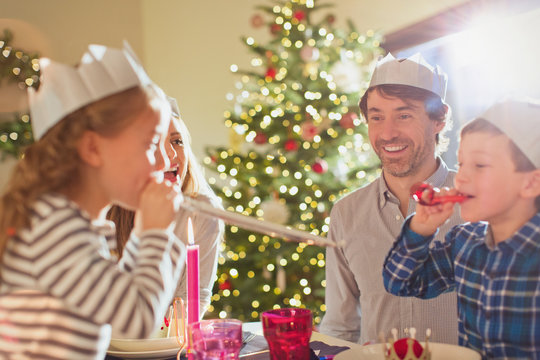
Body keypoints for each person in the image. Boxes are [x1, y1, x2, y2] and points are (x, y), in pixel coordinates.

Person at [0, 44, 185, 359]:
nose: (163, 162)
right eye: (151, 143)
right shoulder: (56, 229)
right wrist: (156, 233)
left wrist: (142, 233)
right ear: (92, 149)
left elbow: (117, 299)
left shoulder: (69, 221)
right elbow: (137, 319)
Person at [383, 98, 540, 359]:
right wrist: (421, 228)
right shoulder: (465, 242)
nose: (461, 177)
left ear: (530, 184)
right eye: (462, 163)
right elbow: (401, 283)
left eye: (480, 165)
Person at [320, 53, 460, 344]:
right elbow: (340, 326)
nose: (387, 132)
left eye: (404, 115)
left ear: (439, 119)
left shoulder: (480, 202)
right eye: (376, 117)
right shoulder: (346, 213)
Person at [107, 97, 224, 318]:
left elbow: (194, 298)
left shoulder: (203, 210)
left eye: (177, 141)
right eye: (154, 143)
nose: (170, 155)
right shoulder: (105, 210)